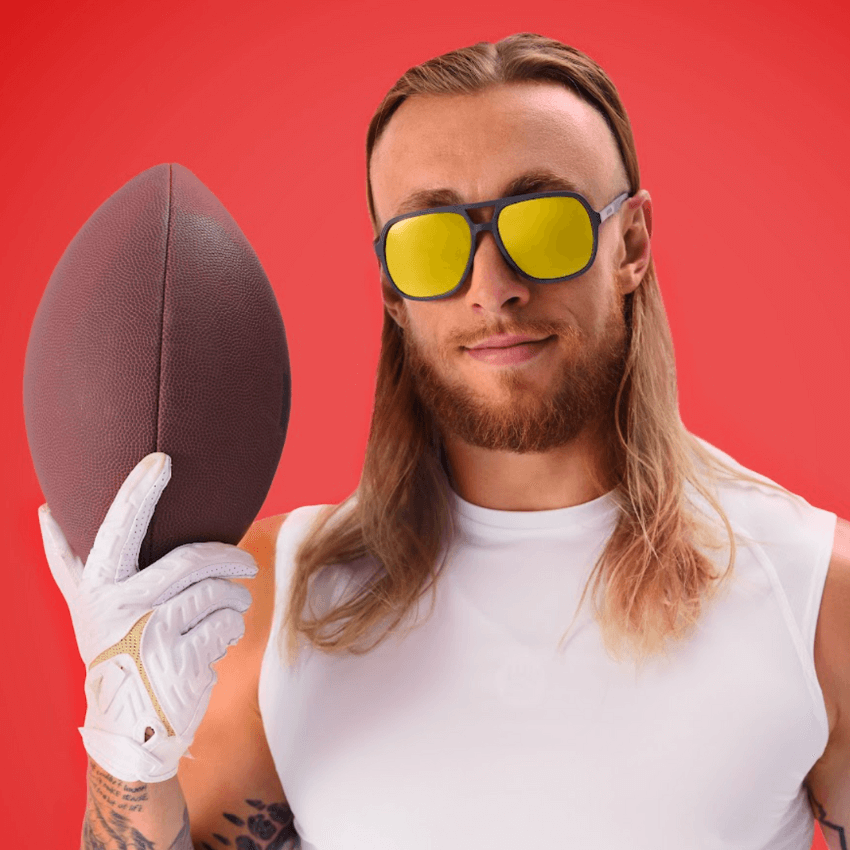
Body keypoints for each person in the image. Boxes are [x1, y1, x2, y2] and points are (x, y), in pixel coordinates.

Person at [40, 32, 849, 850]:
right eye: (431, 241)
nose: (492, 287)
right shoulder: (274, 611)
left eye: (545, 224)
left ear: (631, 244)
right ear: (392, 287)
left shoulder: (816, 597)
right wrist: (127, 759)